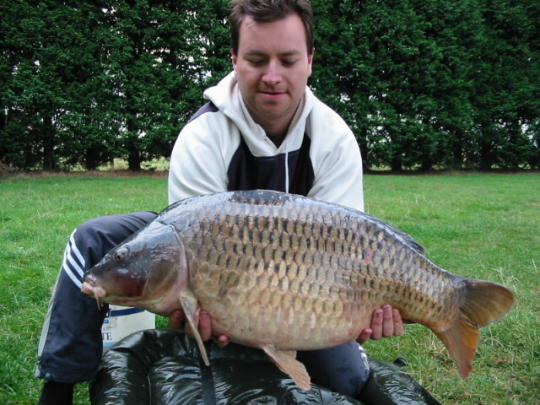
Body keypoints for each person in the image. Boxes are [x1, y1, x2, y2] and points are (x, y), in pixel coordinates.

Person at [35, 1, 404, 404]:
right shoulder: (203, 135)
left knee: (346, 381)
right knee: (93, 240)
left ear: (310, 62)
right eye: (257, 59)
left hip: (304, 268)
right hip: (215, 257)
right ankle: (59, 384)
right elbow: (194, 241)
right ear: (234, 59)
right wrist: (206, 307)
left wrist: (358, 309)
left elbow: (344, 252)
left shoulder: (334, 139)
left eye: (288, 59)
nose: (273, 76)